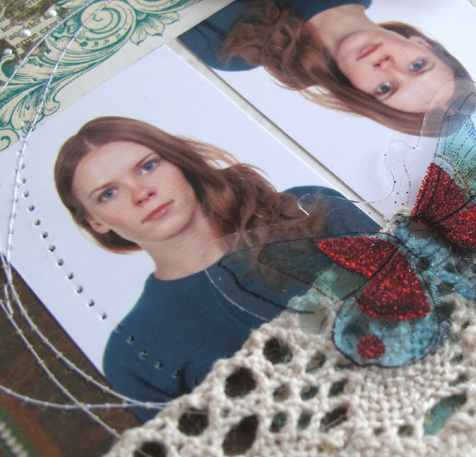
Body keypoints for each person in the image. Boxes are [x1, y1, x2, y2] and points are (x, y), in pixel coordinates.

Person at [54, 116, 378, 421]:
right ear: (94, 221)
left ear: (177, 161)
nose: (141, 194)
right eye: (108, 193)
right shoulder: (134, 353)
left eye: (148, 166)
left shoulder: (310, 210)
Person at [179, 0, 473, 135]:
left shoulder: (228, 52)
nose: (387, 65)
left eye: (384, 88)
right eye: (417, 65)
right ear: (423, 44)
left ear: (360, 96)